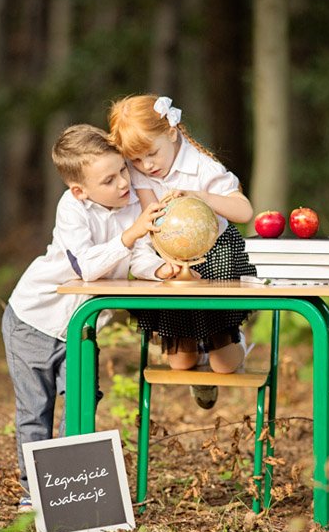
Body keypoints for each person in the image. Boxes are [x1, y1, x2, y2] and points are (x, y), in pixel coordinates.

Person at [2, 123, 177, 513]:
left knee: (82, 399)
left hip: (82, 325)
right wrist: (130, 234)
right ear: (79, 189)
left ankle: (64, 492)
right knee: (35, 410)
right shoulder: (73, 209)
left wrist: (159, 270)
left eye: (123, 171)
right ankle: (34, 495)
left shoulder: (133, 204)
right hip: (34, 319)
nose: (122, 183)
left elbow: (140, 255)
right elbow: (87, 268)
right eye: (109, 179)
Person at [107, 94, 257, 410]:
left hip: (215, 255)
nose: (146, 166)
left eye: (151, 154)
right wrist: (161, 263)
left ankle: (231, 340)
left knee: (224, 365)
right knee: (181, 363)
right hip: (172, 257)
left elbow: (244, 212)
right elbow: (153, 221)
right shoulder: (142, 172)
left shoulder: (203, 167)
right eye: (135, 160)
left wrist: (198, 196)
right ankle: (195, 348)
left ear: (172, 132)